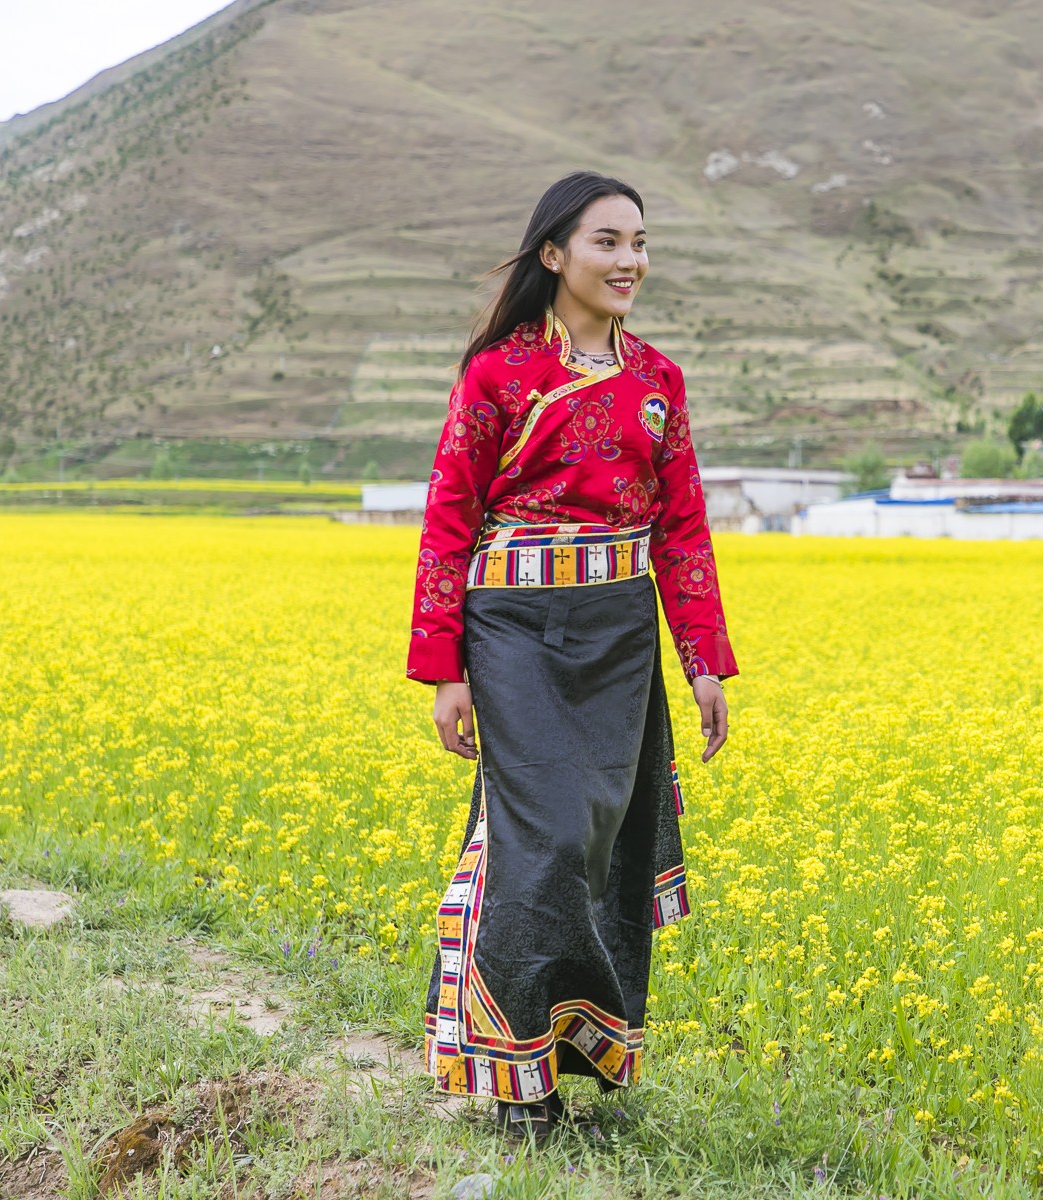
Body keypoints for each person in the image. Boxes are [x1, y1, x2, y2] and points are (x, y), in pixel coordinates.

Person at [405, 170, 737, 1143]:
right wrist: (446, 670)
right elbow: (447, 522)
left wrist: (705, 662)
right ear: (554, 255)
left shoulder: (659, 384)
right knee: (543, 845)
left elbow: (683, 533)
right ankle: (518, 1086)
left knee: (601, 848)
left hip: (621, 637)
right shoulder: (498, 377)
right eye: (608, 242)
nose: (631, 260)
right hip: (512, 630)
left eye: (640, 242)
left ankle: (559, 1048)